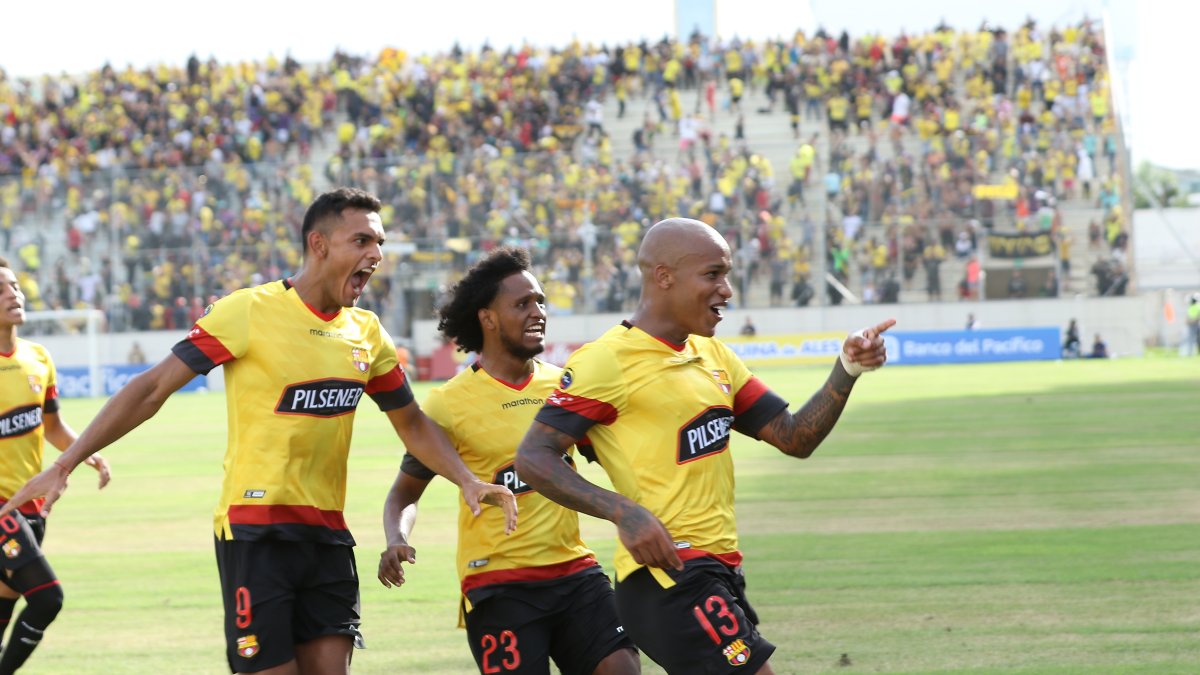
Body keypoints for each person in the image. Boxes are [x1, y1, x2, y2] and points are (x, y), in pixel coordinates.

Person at [0, 189, 517, 675]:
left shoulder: (369, 332)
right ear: (318, 244)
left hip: (329, 536)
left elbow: (411, 423)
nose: (376, 253)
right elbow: (153, 388)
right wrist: (65, 464)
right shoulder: (249, 310)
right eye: (362, 240)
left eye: (379, 242)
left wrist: (466, 480)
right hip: (256, 531)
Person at [515, 218, 893, 675]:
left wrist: (846, 369)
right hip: (667, 574)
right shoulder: (606, 360)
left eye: (727, 275)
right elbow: (534, 456)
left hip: (720, 570)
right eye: (713, 275)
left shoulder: (714, 356)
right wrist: (623, 511)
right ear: (664, 277)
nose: (727, 290)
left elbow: (794, 438)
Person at [378, 247, 639, 675]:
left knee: (622, 669)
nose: (538, 312)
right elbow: (404, 494)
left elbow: (617, 456)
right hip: (499, 585)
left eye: (540, 301)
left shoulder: (564, 387)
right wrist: (396, 538)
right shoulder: (449, 403)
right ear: (488, 318)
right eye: (522, 303)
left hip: (574, 570)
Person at [0, 256, 112, 673]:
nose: (14, 293)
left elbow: (51, 426)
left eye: (14, 286)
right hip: (2, 510)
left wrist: (88, 453)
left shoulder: (37, 357)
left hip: (33, 509)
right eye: (2, 289)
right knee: (48, 598)